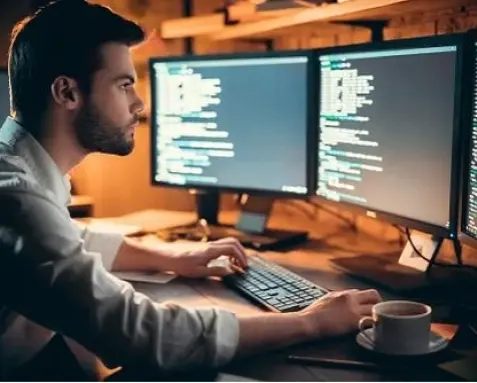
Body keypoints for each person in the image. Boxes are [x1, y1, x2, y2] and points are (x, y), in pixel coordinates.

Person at [0, 0, 381, 379]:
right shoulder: (16, 198)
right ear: (67, 93)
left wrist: (172, 257)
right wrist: (312, 322)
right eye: (125, 85)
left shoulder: (22, 178)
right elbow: (149, 337)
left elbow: (69, 239)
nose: (139, 103)